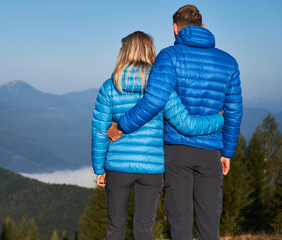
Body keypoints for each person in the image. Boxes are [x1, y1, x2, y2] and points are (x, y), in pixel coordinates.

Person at [107, 5, 243, 240]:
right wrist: (227, 151)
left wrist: (121, 126)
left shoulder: (169, 56)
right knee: (209, 220)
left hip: (176, 151)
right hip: (211, 150)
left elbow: (154, 100)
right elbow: (234, 110)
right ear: (202, 26)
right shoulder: (228, 62)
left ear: (175, 28)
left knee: (179, 219)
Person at [92, 31, 224, 240]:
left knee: (115, 226)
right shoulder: (162, 89)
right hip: (151, 169)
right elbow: (186, 124)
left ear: (123, 52)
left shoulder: (109, 87)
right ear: (151, 52)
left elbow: (100, 132)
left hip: (117, 166)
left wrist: (99, 168)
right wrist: (218, 119)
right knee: (144, 228)